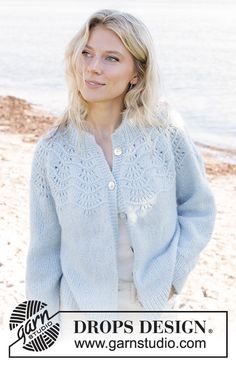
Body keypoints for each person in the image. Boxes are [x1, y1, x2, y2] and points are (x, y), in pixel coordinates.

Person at [25, 9, 216, 315]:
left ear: (137, 73)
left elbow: (199, 208)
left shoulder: (165, 131)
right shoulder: (52, 151)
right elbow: (43, 254)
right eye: (86, 53)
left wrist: (172, 277)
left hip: (154, 314)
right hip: (79, 319)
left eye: (111, 58)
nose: (93, 68)